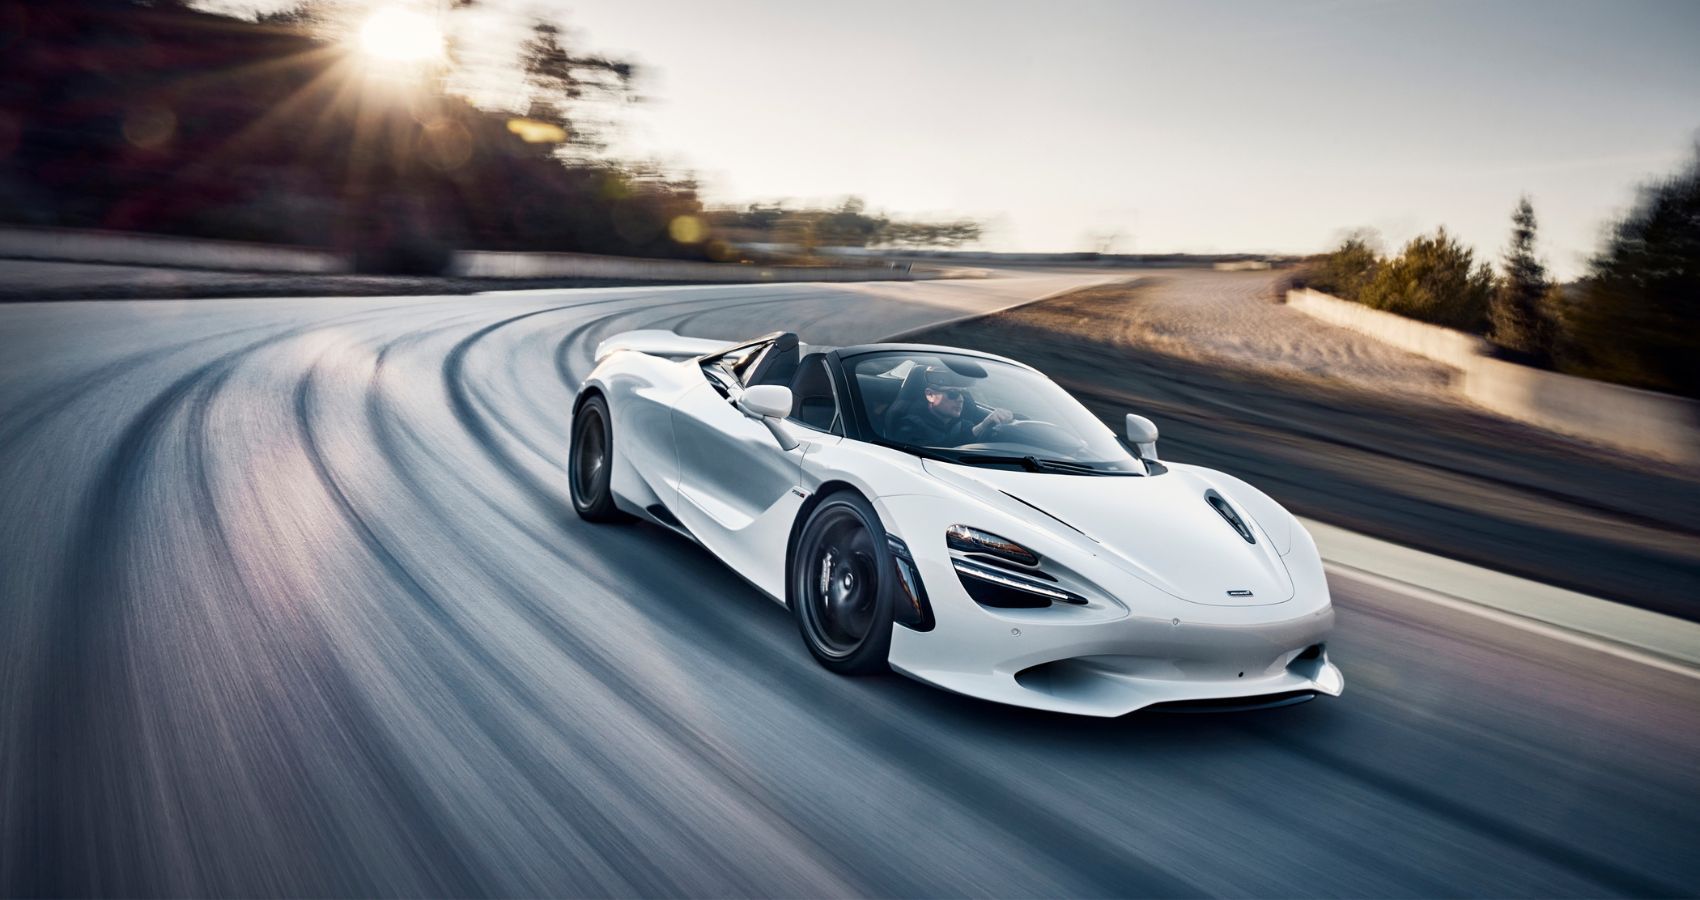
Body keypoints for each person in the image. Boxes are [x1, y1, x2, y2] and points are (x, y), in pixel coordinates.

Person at [888, 366, 1014, 447]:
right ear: (930, 395)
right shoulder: (909, 427)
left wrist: (1010, 418)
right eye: (952, 394)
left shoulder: (962, 424)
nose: (960, 399)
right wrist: (981, 427)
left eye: (962, 394)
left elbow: (966, 435)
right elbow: (936, 453)